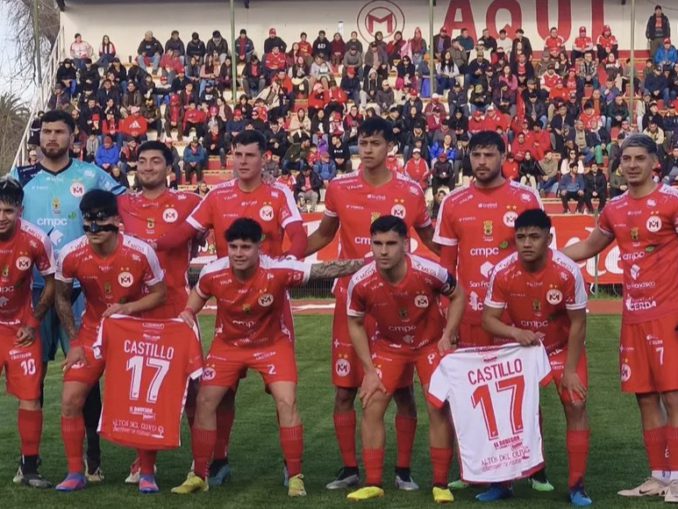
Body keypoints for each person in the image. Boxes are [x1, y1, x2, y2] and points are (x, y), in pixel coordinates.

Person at [155, 129, 307, 486]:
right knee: (219, 396)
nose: (242, 162)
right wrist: (145, 244)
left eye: (250, 155)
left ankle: (293, 469)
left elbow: (298, 235)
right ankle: (216, 463)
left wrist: (288, 264)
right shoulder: (217, 195)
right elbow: (182, 234)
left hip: (272, 309)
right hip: (230, 311)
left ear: (264, 158)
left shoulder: (279, 193)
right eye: (237, 154)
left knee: (284, 396)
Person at [170, 217, 364, 496]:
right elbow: (198, 296)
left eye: (245, 247)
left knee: (287, 401)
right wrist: (188, 313)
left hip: (272, 345)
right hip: (228, 345)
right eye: (233, 247)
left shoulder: (279, 269)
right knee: (205, 401)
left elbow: (325, 269)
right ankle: (200, 474)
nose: (238, 253)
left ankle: (295, 476)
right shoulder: (213, 272)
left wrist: (369, 262)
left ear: (259, 247)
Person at [305, 116, 439, 491]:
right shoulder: (338, 187)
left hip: (397, 305)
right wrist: (283, 255)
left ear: (389, 148)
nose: (367, 150)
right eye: (362, 143)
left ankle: (403, 470)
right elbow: (323, 234)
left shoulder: (410, 191)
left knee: (403, 392)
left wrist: (462, 263)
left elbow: (431, 239)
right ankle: (350, 468)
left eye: (375, 143)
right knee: (345, 391)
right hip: (352, 302)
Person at [9, 110, 126, 484]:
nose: (52, 138)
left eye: (59, 132)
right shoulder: (21, 176)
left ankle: (93, 458)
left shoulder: (92, 176)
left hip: (80, 291)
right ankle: (29, 461)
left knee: (84, 373)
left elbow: (127, 209)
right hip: (33, 291)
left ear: (74, 137)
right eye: (46, 131)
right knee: (33, 376)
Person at [562, 134, 678, 503]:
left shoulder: (672, 201)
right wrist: (549, 258)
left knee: (673, 395)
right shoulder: (614, 208)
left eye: (639, 158)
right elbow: (588, 246)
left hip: (669, 314)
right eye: (626, 158)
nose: (631, 165)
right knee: (645, 397)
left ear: (654, 162)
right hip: (634, 316)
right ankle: (659, 476)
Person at [344, 215, 463, 503]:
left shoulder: (429, 271)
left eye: (391, 244)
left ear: (405, 245)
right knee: (371, 405)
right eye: (377, 244)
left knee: (438, 408)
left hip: (429, 345)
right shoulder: (360, 281)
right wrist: (369, 371)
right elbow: (355, 323)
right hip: (389, 347)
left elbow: (459, 295)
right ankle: (373, 482)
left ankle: (440, 483)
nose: (383, 251)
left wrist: (448, 334)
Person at [54, 190, 166, 492]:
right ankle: (75, 473)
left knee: (139, 404)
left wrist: (128, 308)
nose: (93, 228)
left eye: (100, 220)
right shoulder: (70, 253)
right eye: (88, 220)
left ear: (116, 220)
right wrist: (74, 342)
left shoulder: (140, 252)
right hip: (92, 334)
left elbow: (160, 294)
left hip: (133, 333)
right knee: (70, 399)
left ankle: (146, 473)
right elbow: (61, 298)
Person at [482, 209, 591, 506]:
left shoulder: (567, 271)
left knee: (576, 404)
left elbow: (578, 323)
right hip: (522, 350)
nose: (527, 243)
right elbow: (488, 319)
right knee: (508, 414)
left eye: (534, 237)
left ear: (549, 238)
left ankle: (577, 486)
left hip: (560, 348)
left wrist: (570, 370)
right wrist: (515, 332)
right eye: (521, 237)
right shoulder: (503, 271)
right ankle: (503, 483)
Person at [117, 140, 203, 483]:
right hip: (139, 309)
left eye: (156, 161)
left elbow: (209, 230)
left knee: (194, 387)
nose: (148, 167)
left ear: (169, 168)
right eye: (142, 161)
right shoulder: (123, 203)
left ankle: (201, 462)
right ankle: (143, 462)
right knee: (141, 388)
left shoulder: (190, 202)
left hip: (179, 308)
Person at [0, 177, 56, 488]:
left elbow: (51, 282)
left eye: (8, 211)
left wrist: (34, 322)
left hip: (21, 330)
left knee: (31, 397)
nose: (1, 217)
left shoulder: (36, 239)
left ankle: (30, 467)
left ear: (20, 210)